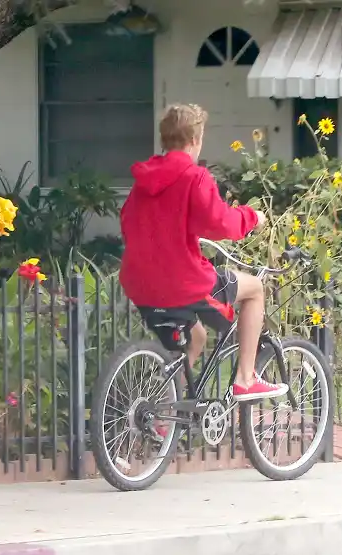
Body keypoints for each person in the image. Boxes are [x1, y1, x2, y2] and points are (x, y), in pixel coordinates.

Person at [119, 103, 288, 403]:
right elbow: (221, 223)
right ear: (196, 140)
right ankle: (246, 379)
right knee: (255, 289)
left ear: (165, 139)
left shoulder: (142, 183)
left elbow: (129, 223)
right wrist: (252, 217)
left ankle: (162, 411)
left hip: (141, 284)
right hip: (182, 283)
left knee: (197, 336)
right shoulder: (194, 177)